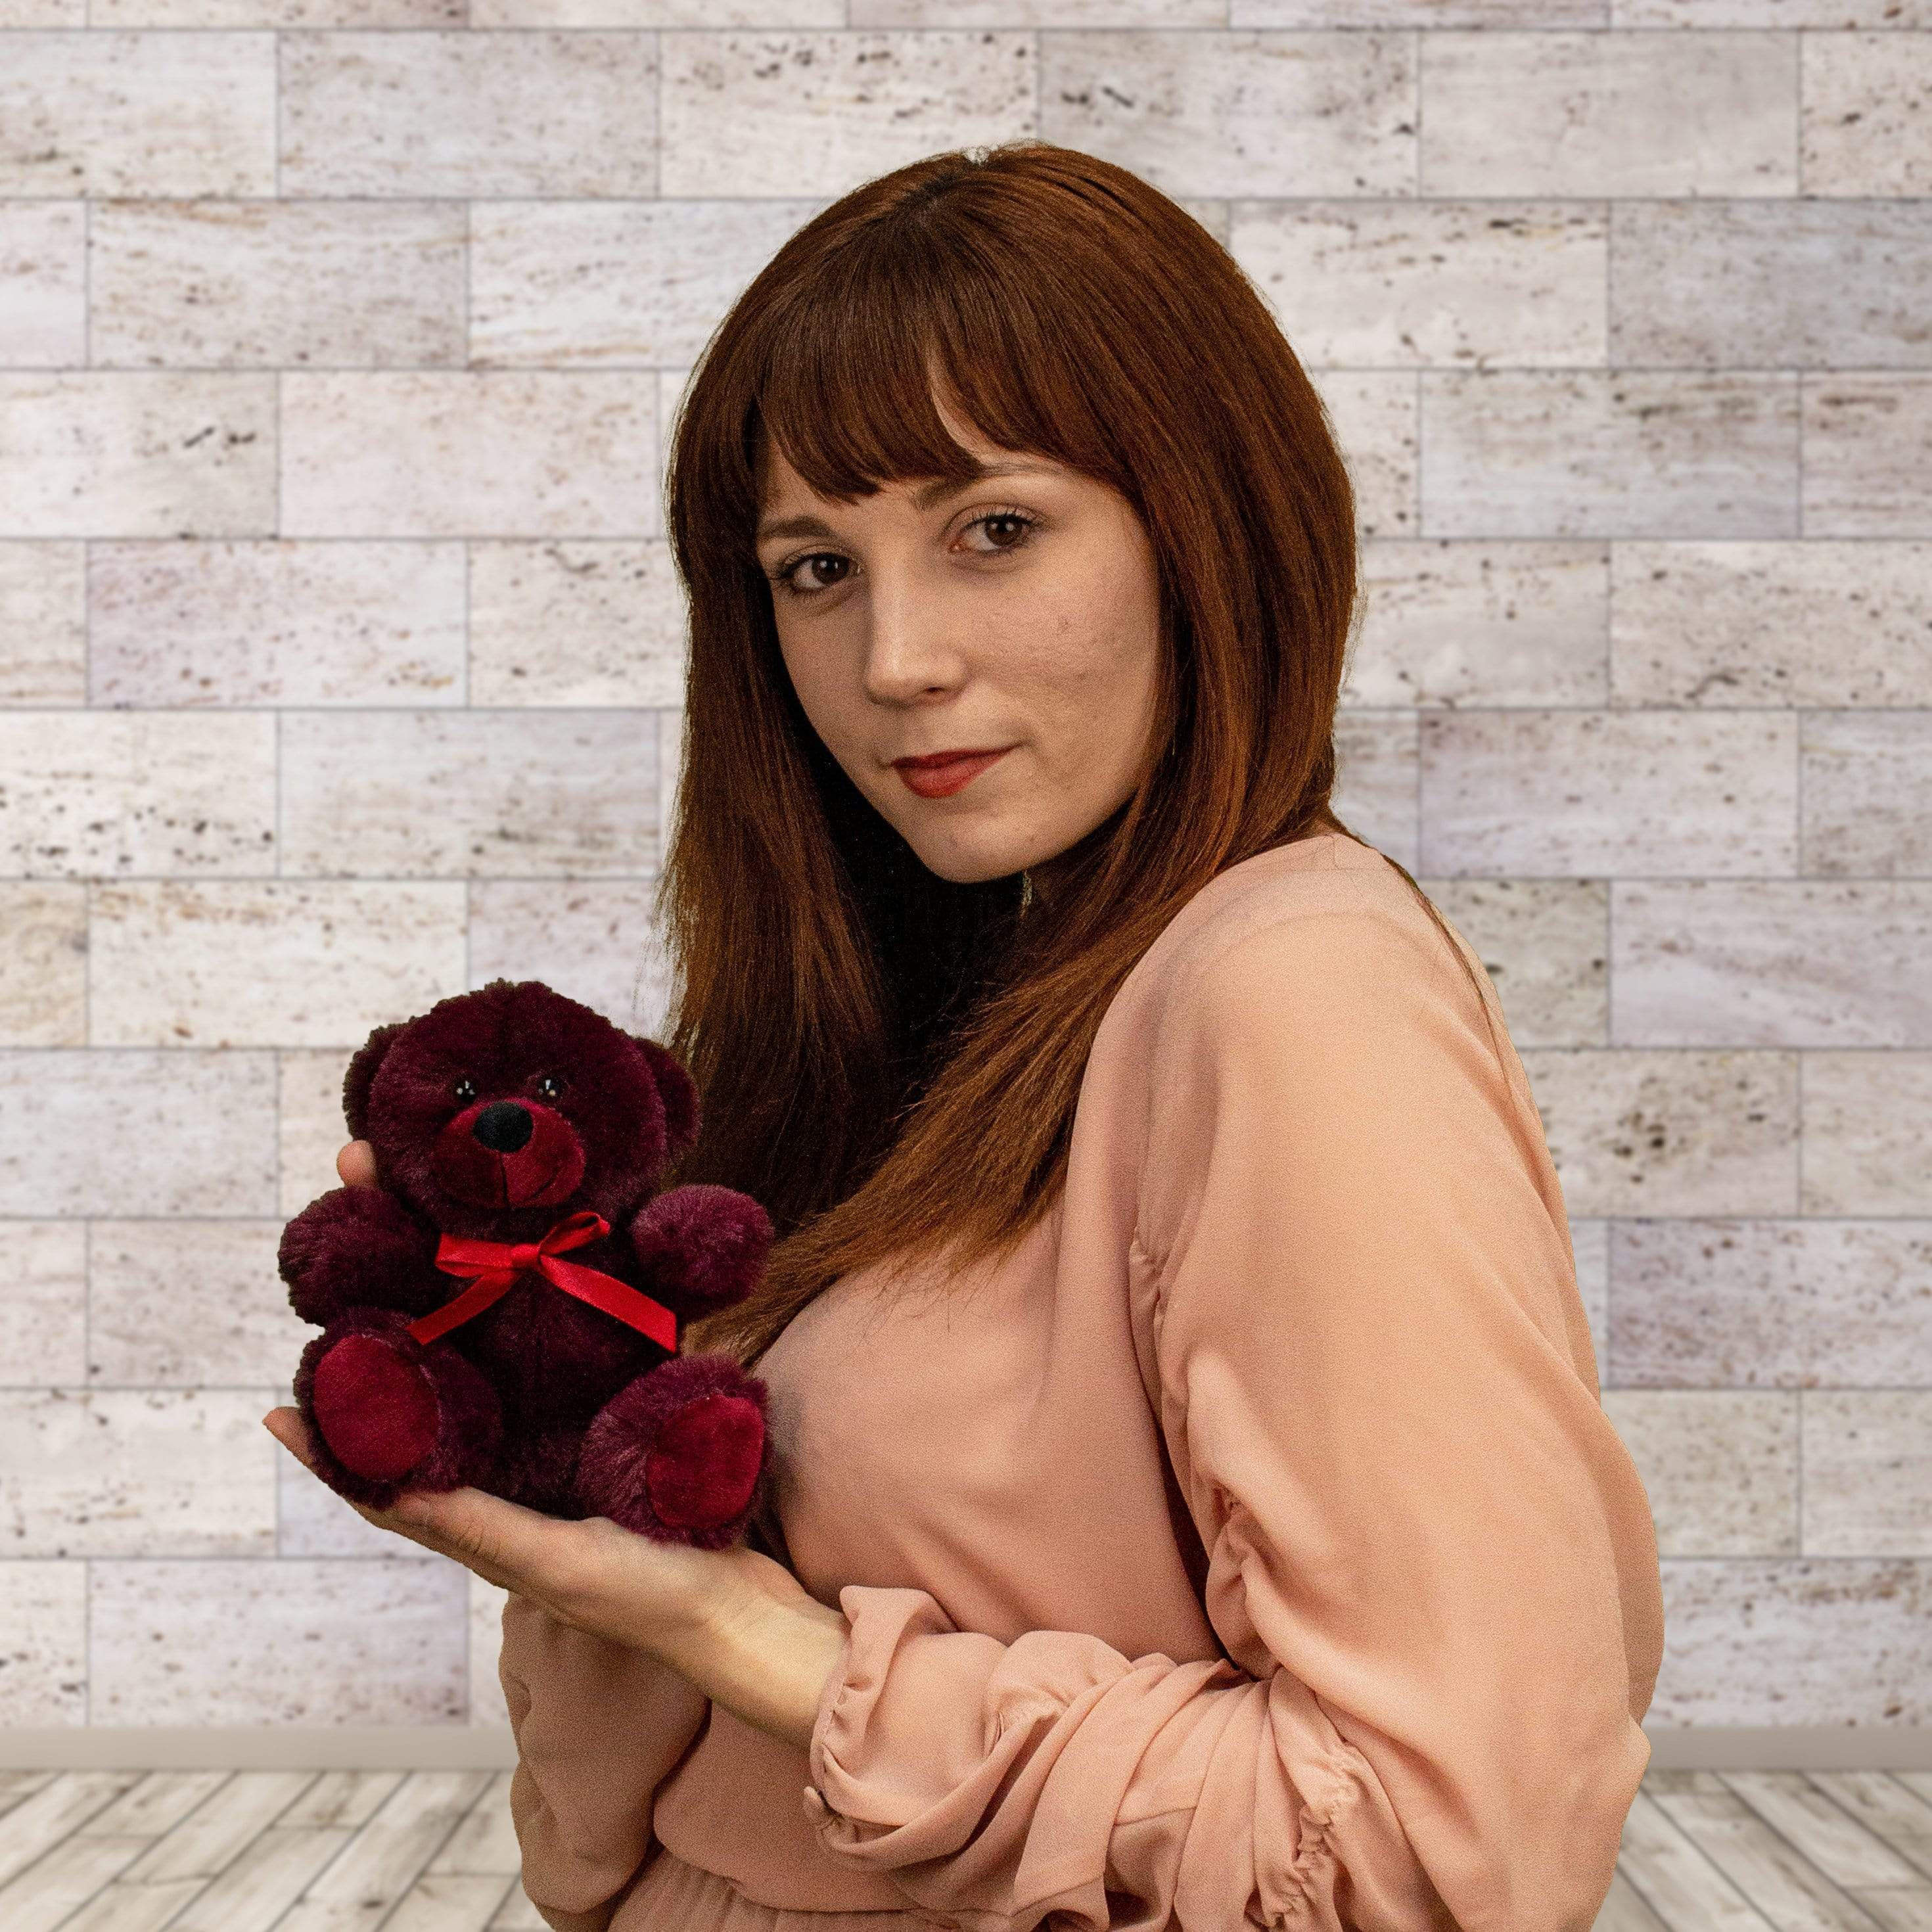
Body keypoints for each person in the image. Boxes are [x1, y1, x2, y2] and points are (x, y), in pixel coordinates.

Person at [267, 139, 1665, 1931]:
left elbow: (1444, 1851)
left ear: (1206, 526)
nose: (896, 655)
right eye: (812, 566)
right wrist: (539, 1383)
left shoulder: (1288, 983)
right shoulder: (957, 1006)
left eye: (992, 528)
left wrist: (768, 1643)